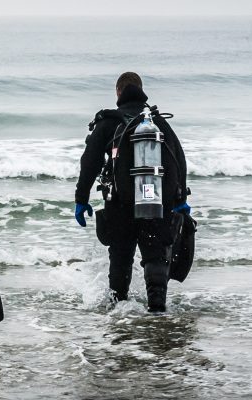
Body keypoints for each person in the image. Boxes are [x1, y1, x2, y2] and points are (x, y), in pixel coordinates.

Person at [74, 72, 190, 313]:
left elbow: (90, 162)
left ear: (118, 92)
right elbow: (178, 159)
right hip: (155, 201)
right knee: (156, 255)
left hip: (120, 203)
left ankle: (119, 311)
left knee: (121, 256)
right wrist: (181, 200)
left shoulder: (109, 122)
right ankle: (158, 312)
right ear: (141, 89)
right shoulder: (157, 122)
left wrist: (81, 199)